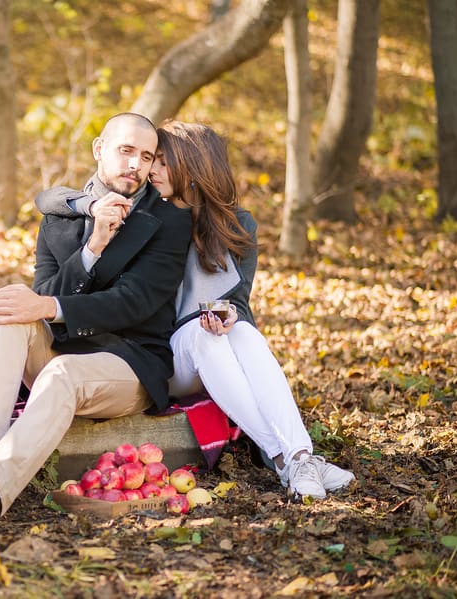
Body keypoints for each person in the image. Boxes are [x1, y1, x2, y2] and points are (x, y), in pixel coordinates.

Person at [35, 120, 354, 499]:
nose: (150, 169)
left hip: (212, 349)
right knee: (204, 339)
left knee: (239, 333)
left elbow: (239, 303)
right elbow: (50, 199)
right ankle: (284, 456)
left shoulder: (236, 226)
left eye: (163, 162)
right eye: (153, 159)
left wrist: (231, 316)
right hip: (165, 358)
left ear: (194, 168)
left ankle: (298, 457)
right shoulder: (150, 218)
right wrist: (85, 203)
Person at [0, 113, 193, 518]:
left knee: (62, 371)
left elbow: (133, 301)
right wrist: (92, 250)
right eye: (125, 151)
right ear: (100, 150)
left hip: (129, 363)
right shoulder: (59, 218)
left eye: (146, 156)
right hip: (63, 349)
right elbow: (44, 293)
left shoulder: (170, 222)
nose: (136, 164)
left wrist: (49, 307)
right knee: (11, 309)